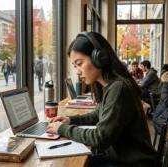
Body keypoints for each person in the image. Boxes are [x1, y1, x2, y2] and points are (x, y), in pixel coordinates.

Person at [46, 32, 156, 167]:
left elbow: (100, 138)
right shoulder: (109, 86)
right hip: (118, 160)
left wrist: (62, 129)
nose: (78, 71)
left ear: (99, 57)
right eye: (75, 66)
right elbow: (98, 114)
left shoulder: (119, 88)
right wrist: (70, 120)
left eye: (79, 63)